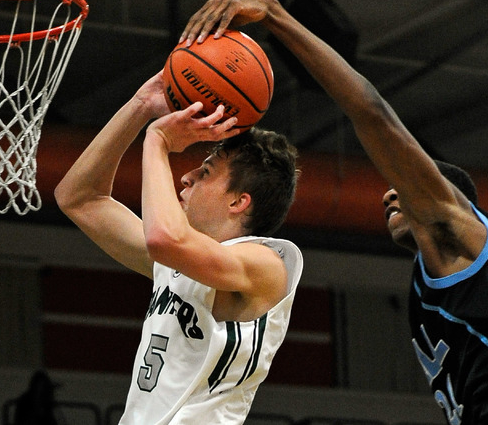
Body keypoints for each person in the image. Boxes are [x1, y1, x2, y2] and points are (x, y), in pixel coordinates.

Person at [179, 0, 488, 424]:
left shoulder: (464, 232)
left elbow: (371, 112)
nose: (389, 195)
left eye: (403, 188)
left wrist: (277, 17)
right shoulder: (441, 281)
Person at [54, 69, 303, 424]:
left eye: (205, 172)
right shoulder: (177, 264)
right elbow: (78, 198)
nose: (185, 177)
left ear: (238, 202)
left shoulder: (265, 264)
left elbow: (163, 239)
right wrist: (140, 106)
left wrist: (157, 141)